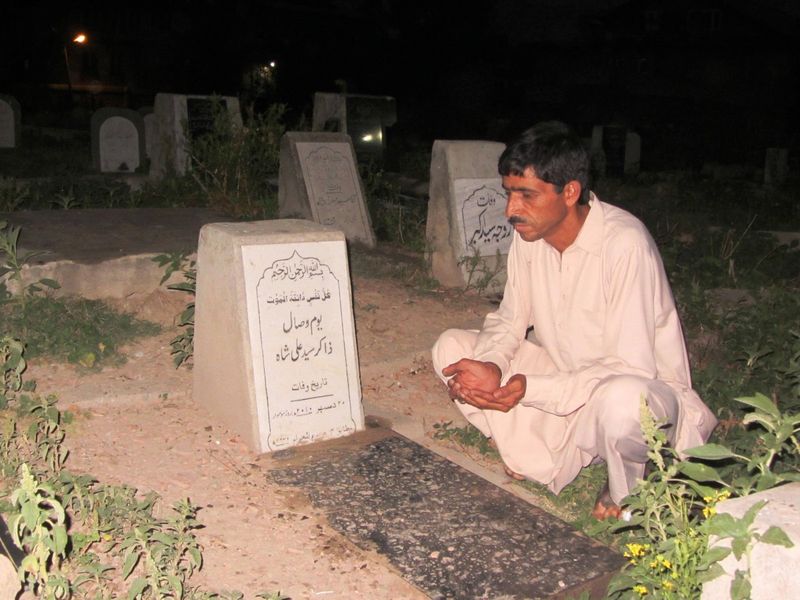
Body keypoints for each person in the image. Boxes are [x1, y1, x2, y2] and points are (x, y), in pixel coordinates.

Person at [431, 121, 717, 520]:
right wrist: (493, 365)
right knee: (453, 349)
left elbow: (631, 368)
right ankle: (542, 453)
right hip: (565, 384)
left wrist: (530, 389)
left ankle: (630, 488)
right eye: (509, 193)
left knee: (621, 401)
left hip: (640, 400)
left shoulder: (624, 244)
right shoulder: (530, 238)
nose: (511, 211)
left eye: (526, 195)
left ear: (569, 192)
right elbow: (509, 319)